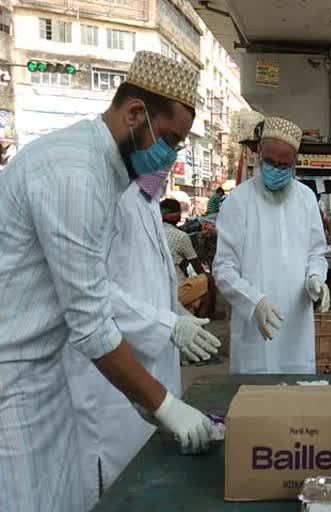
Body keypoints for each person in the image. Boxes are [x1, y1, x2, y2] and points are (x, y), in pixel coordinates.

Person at [0, 51, 215, 511]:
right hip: (12, 381)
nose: (172, 156)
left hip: (46, 374)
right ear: (135, 112)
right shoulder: (74, 174)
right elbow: (92, 322)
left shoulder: (107, 172)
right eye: (171, 141)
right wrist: (164, 405)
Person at [64, 181, 221, 508]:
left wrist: (176, 313)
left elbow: (150, 281)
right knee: (115, 491)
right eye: (170, 139)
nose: (169, 152)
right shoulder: (94, 194)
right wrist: (167, 323)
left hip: (155, 372)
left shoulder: (146, 201)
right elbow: (90, 291)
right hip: (109, 386)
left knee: (154, 482)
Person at [213, 116, 331, 374]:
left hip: (296, 332)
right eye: (270, 162)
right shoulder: (238, 201)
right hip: (255, 330)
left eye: (283, 164)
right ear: (259, 154)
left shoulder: (306, 198)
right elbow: (223, 268)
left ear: (294, 163)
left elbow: (316, 252)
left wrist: (315, 278)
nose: (275, 169)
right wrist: (254, 302)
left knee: (298, 406)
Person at [161, 198, 218, 319]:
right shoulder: (181, 236)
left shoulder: (153, 230)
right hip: (175, 290)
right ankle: (205, 318)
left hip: (157, 286)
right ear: (176, 214)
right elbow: (198, 268)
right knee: (208, 280)